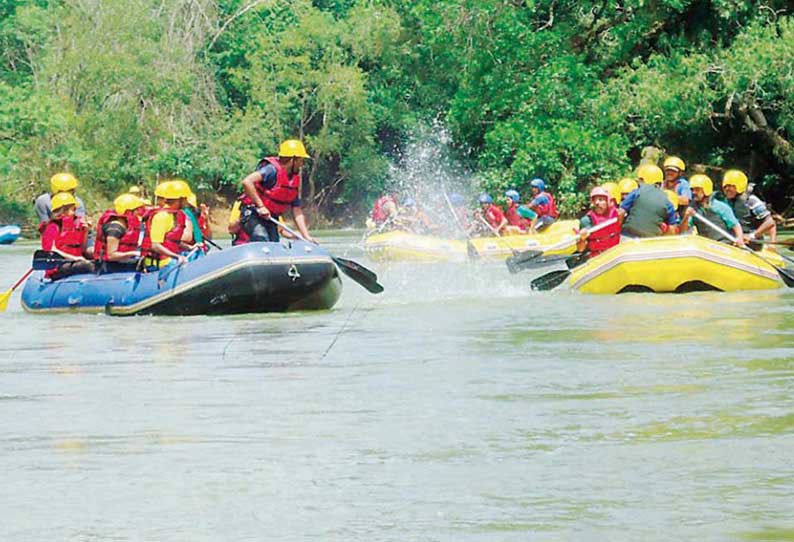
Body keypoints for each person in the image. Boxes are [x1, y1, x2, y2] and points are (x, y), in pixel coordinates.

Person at [238, 139, 315, 243]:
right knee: (261, 238)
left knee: (273, 243)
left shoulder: (292, 181)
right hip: (253, 214)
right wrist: (261, 206)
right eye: (301, 160)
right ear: (293, 160)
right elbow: (247, 182)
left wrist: (306, 236)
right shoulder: (271, 170)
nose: (302, 164)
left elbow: (297, 211)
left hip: (271, 218)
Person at [39, 192, 95, 280]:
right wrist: (75, 258)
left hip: (73, 261)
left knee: (98, 263)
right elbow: (52, 250)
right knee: (86, 265)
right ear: (63, 210)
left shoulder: (74, 226)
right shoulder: (53, 227)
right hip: (58, 266)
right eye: (73, 209)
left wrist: (85, 232)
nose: (75, 212)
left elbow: (82, 249)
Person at [681, 174, 744, 246]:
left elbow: (735, 225)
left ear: (706, 190)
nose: (694, 192)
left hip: (723, 243)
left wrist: (739, 238)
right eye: (692, 190)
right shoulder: (693, 209)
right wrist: (686, 216)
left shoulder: (720, 207)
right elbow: (683, 229)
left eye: (697, 190)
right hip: (705, 244)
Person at [618, 164, 679, 237]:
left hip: (628, 235)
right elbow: (672, 229)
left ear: (643, 180)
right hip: (650, 241)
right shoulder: (667, 201)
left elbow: (620, 213)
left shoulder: (637, 192)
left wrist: (617, 232)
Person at [720, 169, 777, 244]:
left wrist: (752, 236)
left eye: (731, 186)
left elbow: (770, 223)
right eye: (725, 186)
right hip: (734, 239)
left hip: (752, 241)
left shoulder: (752, 201)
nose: (727, 189)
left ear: (739, 186)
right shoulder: (724, 202)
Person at [141, 181, 189, 267]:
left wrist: (189, 247)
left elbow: (172, 240)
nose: (187, 202)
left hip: (169, 259)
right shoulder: (161, 217)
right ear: (179, 200)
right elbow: (155, 245)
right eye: (185, 199)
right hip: (159, 264)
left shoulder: (173, 215)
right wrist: (177, 256)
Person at [93, 194, 147, 270]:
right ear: (128, 211)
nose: (139, 212)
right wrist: (133, 253)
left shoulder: (126, 224)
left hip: (122, 264)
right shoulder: (115, 228)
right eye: (137, 210)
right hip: (108, 267)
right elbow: (111, 255)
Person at [576, 187, 621, 257]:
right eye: (595, 200)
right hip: (596, 256)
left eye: (601, 200)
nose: (597, 203)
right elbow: (580, 249)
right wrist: (582, 239)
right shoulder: (587, 220)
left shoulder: (617, 215)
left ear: (608, 201)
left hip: (614, 253)